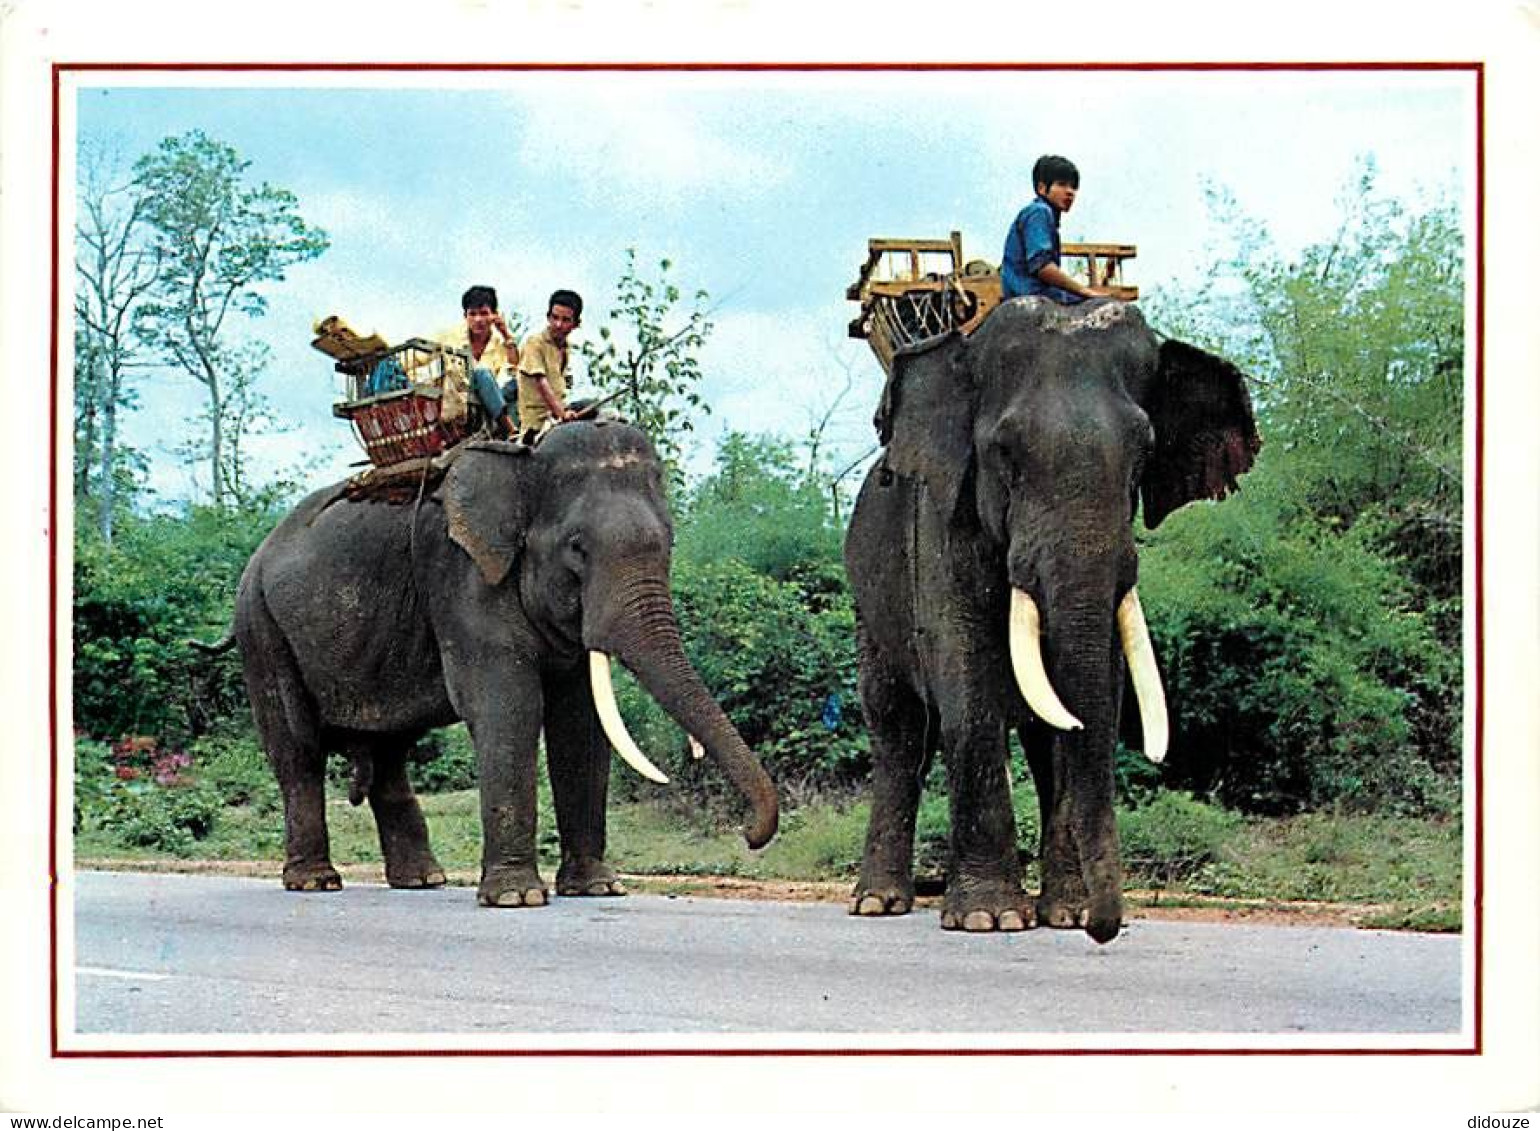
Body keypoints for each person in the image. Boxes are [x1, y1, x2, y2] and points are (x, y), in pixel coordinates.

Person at [1000, 155, 1100, 304]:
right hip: (1033, 294)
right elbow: (1042, 267)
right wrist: (1085, 291)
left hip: (1034, 293)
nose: (1070, 192)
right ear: (1041, 188)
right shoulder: (1039, 212)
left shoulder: (1044, 215)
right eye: (1061, 184)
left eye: (1073, 187)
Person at [439, 284, 519, 436]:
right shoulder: (450, 336)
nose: (478, 320)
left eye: (484, 314)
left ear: (494, 315)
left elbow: (513, 369)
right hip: (461, 396)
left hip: (492, 398)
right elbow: (418, 357)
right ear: (465, 316)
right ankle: (510, 429)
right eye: (472, 314)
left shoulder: (498, 343)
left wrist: (506, 334)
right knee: (481, 373)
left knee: (519, 381)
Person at [511, 289, 584, 443]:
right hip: (539, 423)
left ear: (576, 324)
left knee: (594, 407)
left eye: (566, 320)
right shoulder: (535, 343)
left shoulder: (566, 348)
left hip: (559, 415)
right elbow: (541, 383)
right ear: (548, 317)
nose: (558, 324)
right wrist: (562, 414)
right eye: (555, 317)